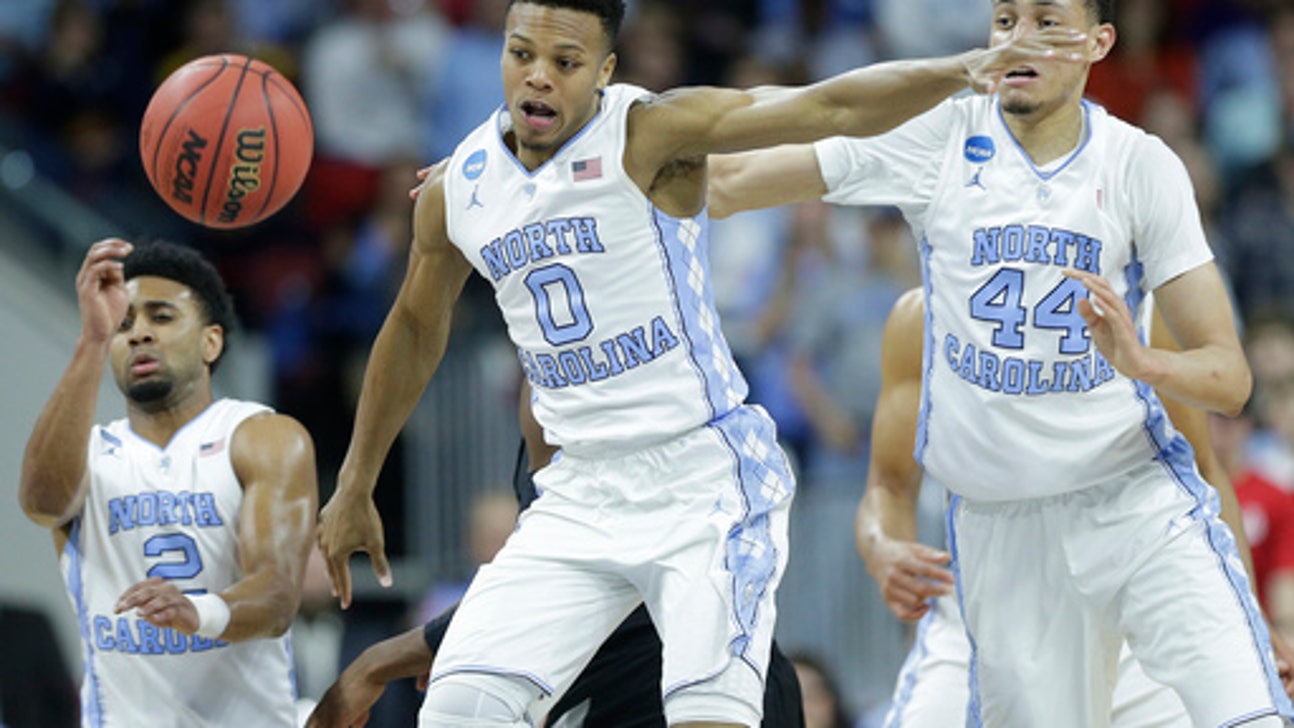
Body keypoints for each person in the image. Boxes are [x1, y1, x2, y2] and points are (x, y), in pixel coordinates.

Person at [314, 1, 1082, 726]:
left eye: (566, 60)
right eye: (522, 54)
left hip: (703, 481)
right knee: (457, 709)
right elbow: (415, 325)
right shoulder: (458, 188)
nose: (539, 75)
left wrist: (962, 68)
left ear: (606, 70)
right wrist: (355, 479)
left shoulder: (652, 133)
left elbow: (830, 107)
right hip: (577, 493)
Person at [707, 0, 1293, 722]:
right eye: (1006, 19)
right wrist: (632, 144)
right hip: (999, 537)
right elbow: (730, 180)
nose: (1021, 38)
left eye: (1048, 21)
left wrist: (1142, 362)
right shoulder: (937, 144)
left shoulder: (1140, 166)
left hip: (1133, 505)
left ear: (1098, 43)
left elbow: (1230, 382)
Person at [855, 289, 1294, 726]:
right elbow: (888, 486)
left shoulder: (1134, 302)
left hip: (1127, 592)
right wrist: (882, 548)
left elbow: (1202, 470)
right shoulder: (924, 315)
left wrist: (1245, 609)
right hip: (988, 603)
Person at [307, 387, 805, 727]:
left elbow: (605, 566)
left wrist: (378, 662)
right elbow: (552, 584)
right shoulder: (551, 456)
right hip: (615, 687)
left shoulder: (638, 428)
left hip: (688, 686)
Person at [19, 238, 319, 727]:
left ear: (211, 342)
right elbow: (41, 504)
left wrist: (198, 612)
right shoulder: (89, 455)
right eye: (124, 324)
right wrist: (92, 340)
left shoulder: (260, 436)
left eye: (161, 317)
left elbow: (277, 596)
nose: (138, 333)